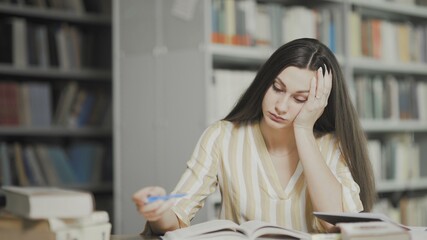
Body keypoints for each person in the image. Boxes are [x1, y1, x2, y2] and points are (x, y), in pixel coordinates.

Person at [132, 38, 376, 235]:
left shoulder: (331, 145)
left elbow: (338, 223)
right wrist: (157, 212)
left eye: (299, 99)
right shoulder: (222, 137)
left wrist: (303, 129)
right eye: (277, 88)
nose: (281, 106)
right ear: (264, 82)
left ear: (319, 103)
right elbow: (176, 217)